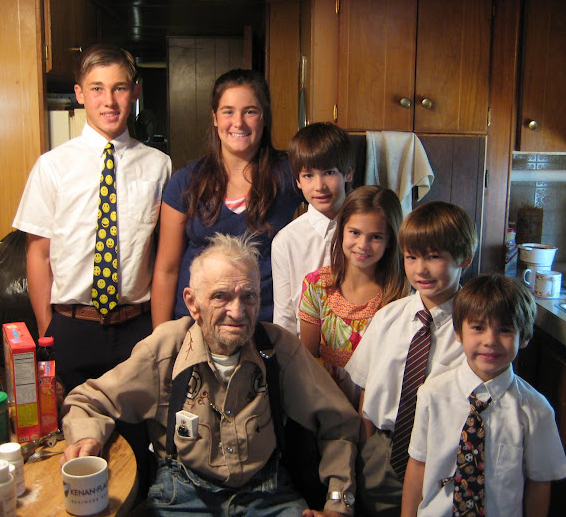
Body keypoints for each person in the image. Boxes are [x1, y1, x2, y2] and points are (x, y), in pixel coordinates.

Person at [60, 233, 360, 517]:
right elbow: (89, 400)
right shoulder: (166, 349)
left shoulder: (279, 349)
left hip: (268, 495)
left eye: (249, 297)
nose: (238, 311)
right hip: (182, 496)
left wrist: (337, 501)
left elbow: (339, 423)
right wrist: (87, 438)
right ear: (193, 303)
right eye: (221, 296)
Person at [12, 43, 172, 395]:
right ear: (80, 94)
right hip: (72, 327)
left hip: (137, 326)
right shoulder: (52, 166)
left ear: (135, 93)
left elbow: (165, 254)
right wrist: (45, 330)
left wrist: (160, 334)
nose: (109, 101)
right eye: (97, 89)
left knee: (139, 440)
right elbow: (38, 254)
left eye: (120, 88)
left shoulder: (159, 166)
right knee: (75, 437)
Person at [345, 201, 478, 517]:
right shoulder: (388, 317)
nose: (421, 269)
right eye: (411, 257)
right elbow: (366, 392)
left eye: (434, 257)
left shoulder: (475, 331)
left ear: (464, 259)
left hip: (443, 458)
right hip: (383, 450)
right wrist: (365, 450)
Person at [401, 273, 566, 517]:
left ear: (524, 337)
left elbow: (539, 482)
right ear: (458, 333)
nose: (490, 340)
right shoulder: (432, 394)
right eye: (478, 328)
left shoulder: (535, 409)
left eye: (504, 330)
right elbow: (418, 465)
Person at [151, 69, 302, 328]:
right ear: (214, 118)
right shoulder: (186, 181)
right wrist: (162, 344)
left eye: (250, 111)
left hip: (266, 326)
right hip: (195, 327)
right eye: (228, 111)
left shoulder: (292, 173)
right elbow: (166, 270)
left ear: (264, 118)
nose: (238, 123)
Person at [298, 186, 408, 408]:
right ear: (341, 231)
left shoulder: (399, 295)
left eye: (376, 237)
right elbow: (307, 359)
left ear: (390, 241)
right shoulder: (317, 286)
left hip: (378, 410)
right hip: (326, 407)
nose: (363, 245)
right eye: (355, 232)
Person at [272, 122, 354, 336]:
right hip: (306, 353)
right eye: (308, 175)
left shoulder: (368, 231)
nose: (319, 186)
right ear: (297, 180)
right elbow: (284, 317)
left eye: (329, 172)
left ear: (348, 173)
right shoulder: (286, 241)